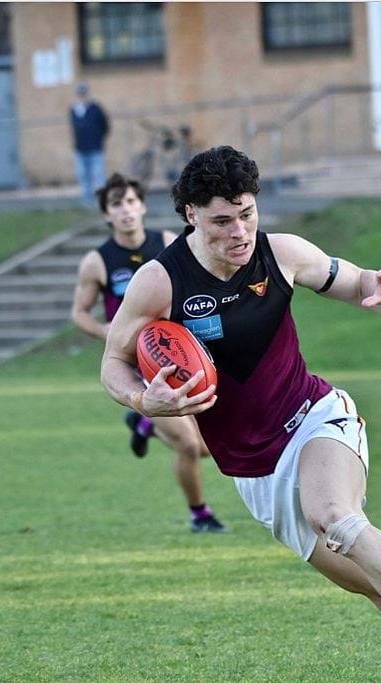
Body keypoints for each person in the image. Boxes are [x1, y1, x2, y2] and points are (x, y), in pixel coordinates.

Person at [99, 145, 381, 683]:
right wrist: (141, 399)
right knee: (379, 591)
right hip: (253, 468)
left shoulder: (283, 254)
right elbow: (113, 359)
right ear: (191, 215)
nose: (239, 231)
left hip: (315, 418)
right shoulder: (161, 281)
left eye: (247, 213)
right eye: (223, 221)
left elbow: (362, 285)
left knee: (336, 516)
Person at [71, 174, 227, 533]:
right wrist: (103, 331)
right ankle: (200, 516)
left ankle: (144, 424)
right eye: (116, 205)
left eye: (130, 202)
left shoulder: (170, 243)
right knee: (188, 445)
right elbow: (79, 312)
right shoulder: (97, 261)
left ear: (141, 206)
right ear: (106, 215)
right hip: (140, 365)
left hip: (180, 357)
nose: (125, 210)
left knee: (205, 448)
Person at [69, 84, 110, 208]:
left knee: (98, 174)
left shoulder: (95, 108)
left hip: (95, 147)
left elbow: (105, 126)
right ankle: (87, 199)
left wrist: (99, 138)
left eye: (84, 94)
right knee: (83, 175)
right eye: (80, 94)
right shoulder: (74, 110)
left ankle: (101, 199)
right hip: (81, 149)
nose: (82, 97)